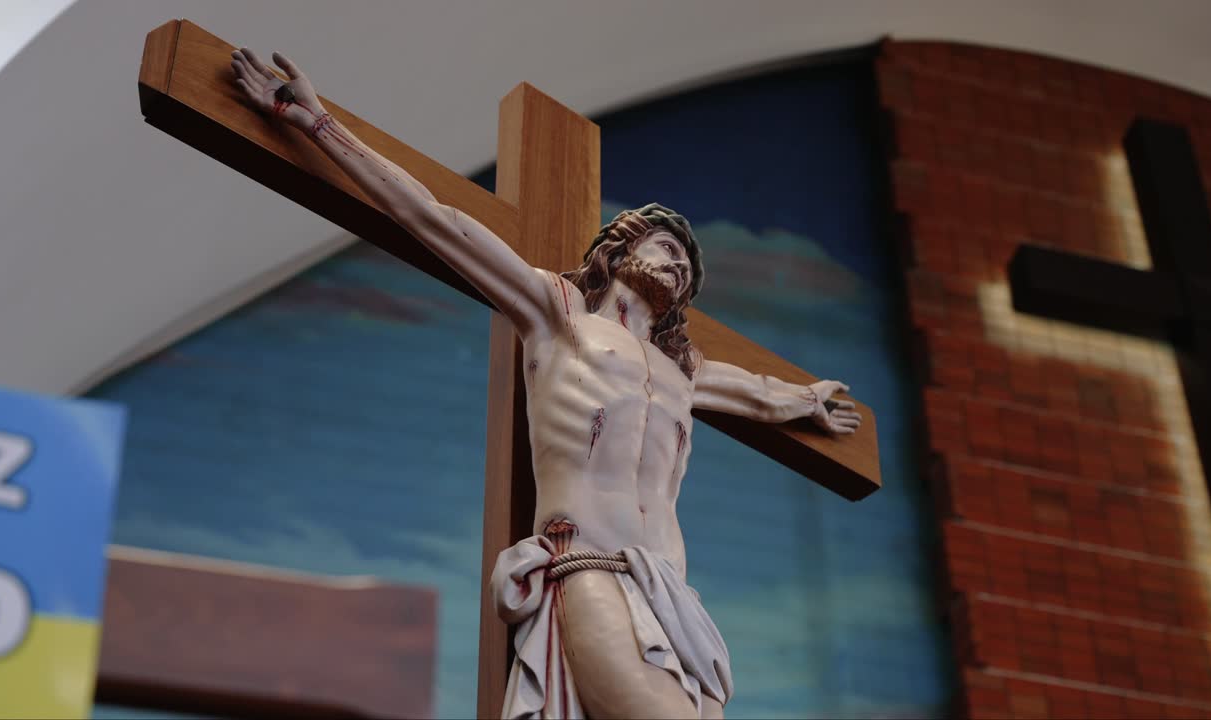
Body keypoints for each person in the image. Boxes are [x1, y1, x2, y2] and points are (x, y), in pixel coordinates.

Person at [231, 48, 862, 719]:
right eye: (664, 248)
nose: (677, 265)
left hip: (673, 597)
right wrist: (319, 126)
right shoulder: (558, 314)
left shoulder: (685, 372)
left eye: (686, 266)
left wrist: (808, 401)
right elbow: (432, 219)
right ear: (617, 251)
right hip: (588, 565)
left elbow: (763, 394)